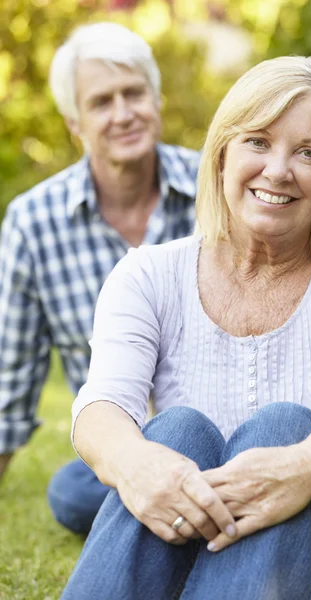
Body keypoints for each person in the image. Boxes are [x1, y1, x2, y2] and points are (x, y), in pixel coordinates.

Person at [62, 55, 311, 599]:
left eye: (309, 153)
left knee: (287, 427)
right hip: (195, 531)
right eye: (258, 142)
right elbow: (102, 405)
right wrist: (134, 463)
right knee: (173, 434)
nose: (278, 170)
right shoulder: (147, 274)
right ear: (221, 154)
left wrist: (305, 467)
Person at [0, 22, 199, 535]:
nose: (123, 113)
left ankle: (194, 506)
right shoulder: (32, 222)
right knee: (70, 492)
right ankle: (205, 507)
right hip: (120, 452)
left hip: (226, 428)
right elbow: (11, 376)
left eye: (134, 93)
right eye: (102, 101)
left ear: (155, 99)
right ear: (75, 122)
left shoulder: (216, 187)